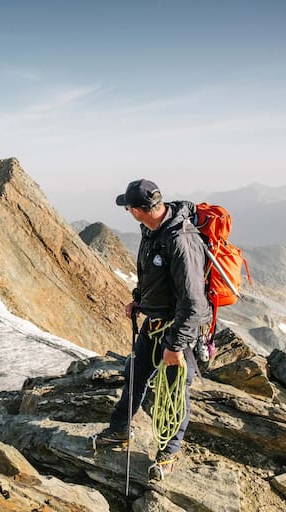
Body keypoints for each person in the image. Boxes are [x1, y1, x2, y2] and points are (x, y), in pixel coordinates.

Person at [93, 179, 211, 480]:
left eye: (129, 207)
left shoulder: (180, 240)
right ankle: (119, 431)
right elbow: (152, 275)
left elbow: (194, 302)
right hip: (155, 322)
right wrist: (139, 300)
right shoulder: (152, 230)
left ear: (136, 210)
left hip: (177, 331)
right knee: (135, 374)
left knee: (174, 391)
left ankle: (169, 452)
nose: (128, 212)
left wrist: (176, 345)